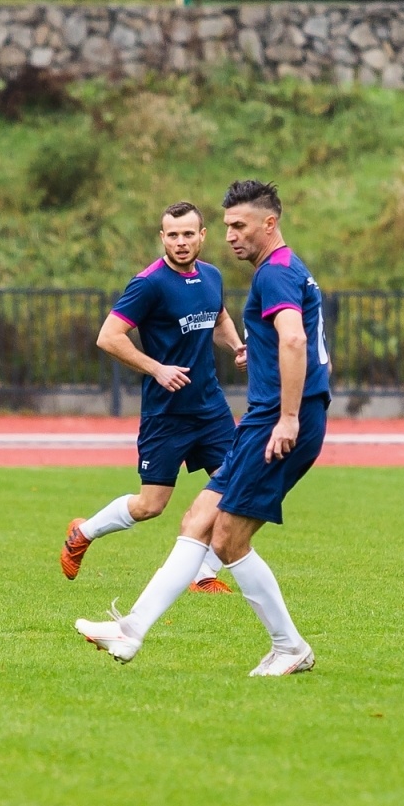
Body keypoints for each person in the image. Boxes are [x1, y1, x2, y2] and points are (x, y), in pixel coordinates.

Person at [74, 181, 330, 676]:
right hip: (262, 418)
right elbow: (313, 349)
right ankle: (130, 631)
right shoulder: (287, 269)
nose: (231, 236)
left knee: (228, 540)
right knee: (196, 522)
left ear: (269, 224)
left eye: (239, 226)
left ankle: (289, 647)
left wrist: (292, 416)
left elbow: (296, 341)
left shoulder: (273, 275)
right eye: (228, 226)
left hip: (275, 422)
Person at [60, 202, 247, 594]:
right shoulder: (149, 283)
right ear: (163, 237)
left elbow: (218, 317)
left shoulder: (212, 276)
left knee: (240, 487)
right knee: (151, 505)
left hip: (210, 407)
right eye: (173, 235)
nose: (181, 242)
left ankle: (203, 573)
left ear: (202, 236)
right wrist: (157, 368)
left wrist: (236, 346)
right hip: (168, 414)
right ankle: (83, 532)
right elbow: (108, 336)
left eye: (188, 234)